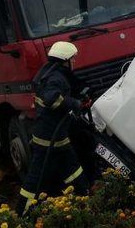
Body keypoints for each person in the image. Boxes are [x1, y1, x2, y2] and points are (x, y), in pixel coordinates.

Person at [16, 41, 90, 216]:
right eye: (73, 59)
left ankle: (84, 197)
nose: (74, 62)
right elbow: (52, 99)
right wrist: (76, 104)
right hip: (48, 139)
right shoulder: (56, 77)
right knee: (36, 178)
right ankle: (22, 212)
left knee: (73, 169)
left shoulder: (51, 73)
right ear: (65, 60)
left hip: (57, 137)